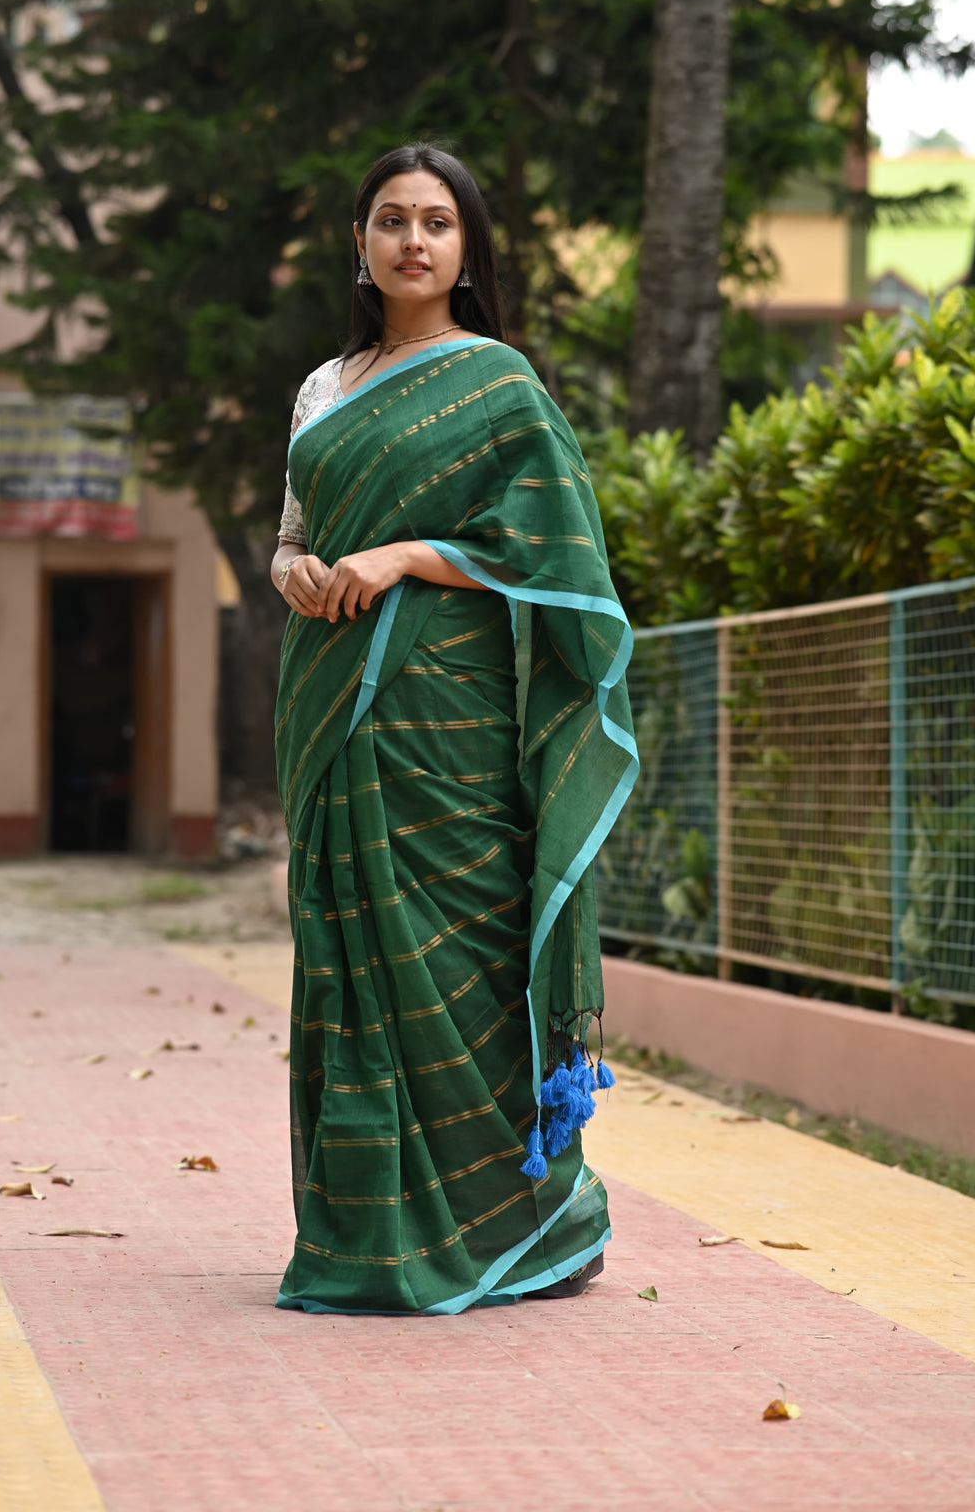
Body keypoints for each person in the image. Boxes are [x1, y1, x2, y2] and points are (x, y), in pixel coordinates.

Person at [271, 142, 638, 1314]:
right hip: (330, 699)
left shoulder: (498, 383)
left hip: (448, 722)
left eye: (436, 221)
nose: (412, 240)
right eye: (390, 219)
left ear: (466, 248)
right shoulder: (324, 388)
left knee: (462, 959)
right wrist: (292, 569)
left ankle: (528, 1225)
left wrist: (406, 555)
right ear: (361, 244)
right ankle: (365, 1229)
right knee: (348, 953)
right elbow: (289, 527)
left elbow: (556, 557)